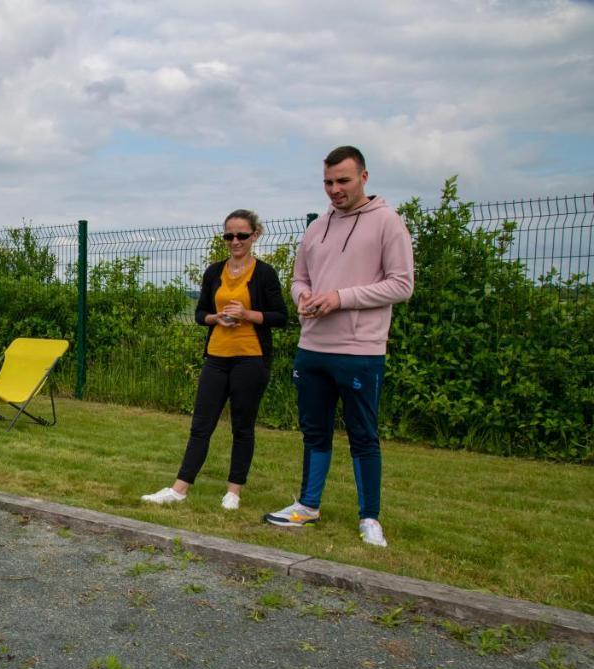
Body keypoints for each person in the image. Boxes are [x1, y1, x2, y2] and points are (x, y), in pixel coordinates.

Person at [264, 146, 414, 547]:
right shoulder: (317, 228)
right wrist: (303, 297)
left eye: (343, 180)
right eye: (328, 182)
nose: (335, 190)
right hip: (312, 347)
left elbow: (402, 284)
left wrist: (340, 298)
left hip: (360, 350)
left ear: (364, 177)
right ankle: (308, 506)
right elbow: (299, 278)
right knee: (314, 431)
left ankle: (369, 518)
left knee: (363, 434)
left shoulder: (387, 222)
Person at [142, 210, 288, 510]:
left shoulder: (264, 273)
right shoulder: (214, 272)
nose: (235, 241)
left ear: (255, 235)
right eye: (229, 236)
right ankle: (179, 489)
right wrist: (215, 318)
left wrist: (247, 315)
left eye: (241, 235)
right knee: (200, 425)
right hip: (216, 358)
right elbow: (199, 314)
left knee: (242, 427)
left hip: (251, 359)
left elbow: (281, 317)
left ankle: (233, 492)